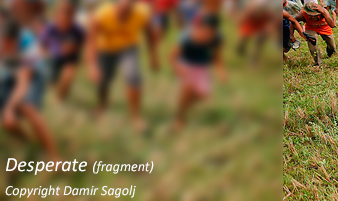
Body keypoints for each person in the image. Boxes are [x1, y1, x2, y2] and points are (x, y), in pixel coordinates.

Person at [0, 21, 60, 161]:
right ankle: (27, 143)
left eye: (10, 44)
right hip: (8, 75)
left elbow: (23, 81)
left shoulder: (28, 43)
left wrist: (9, 107)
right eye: (3, 43)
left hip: (33, 74)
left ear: (17, 40)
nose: (6, 47)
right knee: (7, 122)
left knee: (28, 107)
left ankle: (54, 156)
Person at [86, 0, 160, 130]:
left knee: (133, 76)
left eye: (128, 12)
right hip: (105, 48)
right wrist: (92, 65)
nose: (124, 15)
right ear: (115, 6)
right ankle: (102, 105)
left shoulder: (142, 13)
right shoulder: (101, 15)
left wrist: (153, 56)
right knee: (102, 82)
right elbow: (91, 42)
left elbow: (149, 34)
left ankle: (136, 117)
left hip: (128, 47)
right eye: (121, 12)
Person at [171, 15, 224, 129]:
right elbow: (173, 56)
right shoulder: (187, 37)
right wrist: (177, 68)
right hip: (186, 64)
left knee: (203, 96)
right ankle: (179, 119)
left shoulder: (217, 38)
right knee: (188, 89)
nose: (208, 35)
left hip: (202, 67)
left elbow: (216, 56)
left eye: (211, 32)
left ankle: (183, 105)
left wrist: (221, 71)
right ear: (199, 28)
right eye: (206, 31)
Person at [41, 0, 86, 101]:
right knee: (51, 81)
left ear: (72, 17)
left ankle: (60, 97)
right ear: (57, 15)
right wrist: (45, 54)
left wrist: (75, 48)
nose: (65, 21)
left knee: (69, 76)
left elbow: (83, 43)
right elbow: (43, 43)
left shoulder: (78, 30)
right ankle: (51, 91)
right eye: (62, 16)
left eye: (69, 17)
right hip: (55, 57)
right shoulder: (51, 28)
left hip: (71, 58)